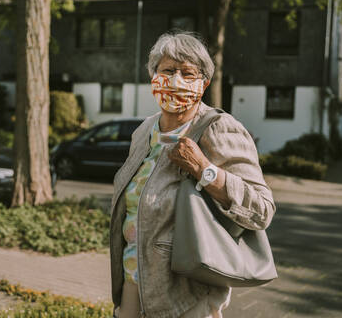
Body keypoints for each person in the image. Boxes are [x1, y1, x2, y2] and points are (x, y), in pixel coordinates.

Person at [109, 32, 276, 318]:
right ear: (153, 75)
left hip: (186, 295)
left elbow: (262, 210)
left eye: (187, 73)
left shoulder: (219, 127)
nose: (175, 81)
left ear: (204, 83)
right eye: (167, 70)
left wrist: (204, 170)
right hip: (133, 282)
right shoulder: (143, 131)